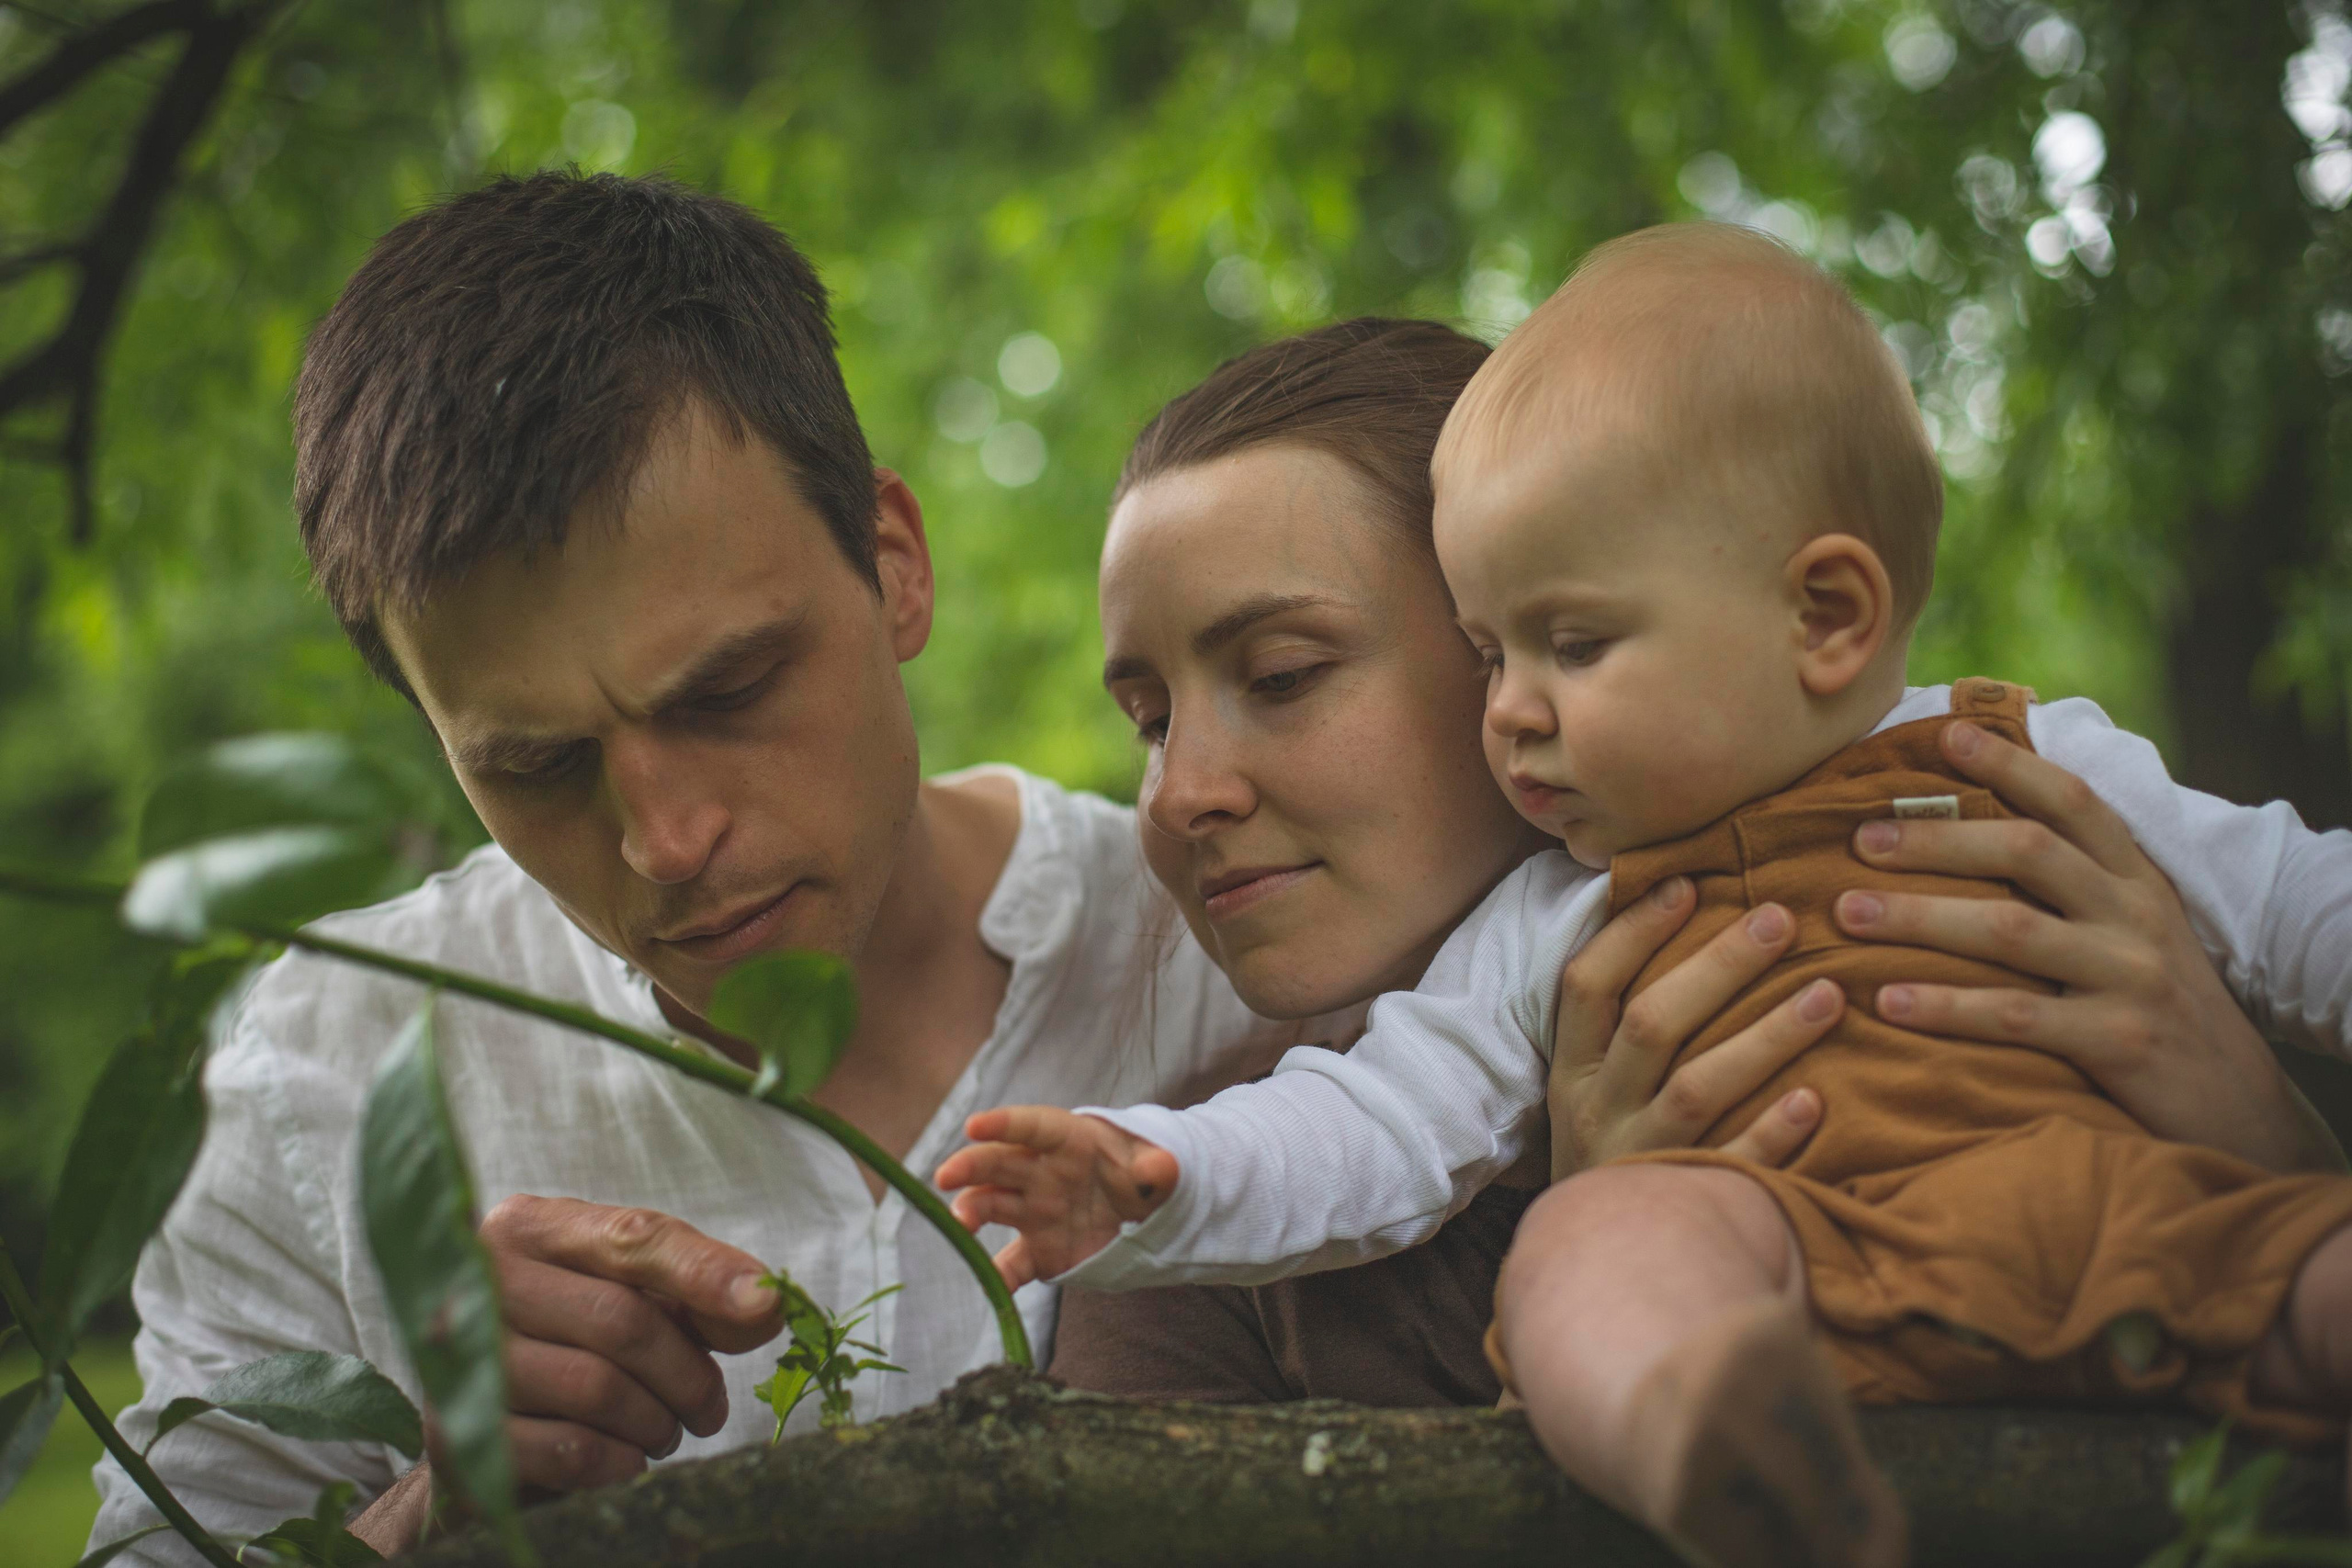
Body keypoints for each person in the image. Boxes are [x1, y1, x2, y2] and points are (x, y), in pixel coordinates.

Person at [939, 227, 2352, 1568]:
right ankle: (1704, 1429)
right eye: (1146, 718)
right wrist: (1156, 1174)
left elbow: (2302, 905)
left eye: (1285, 673)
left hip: (2147, 1241)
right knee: (1592, 1246)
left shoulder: (2031, 793)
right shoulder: (1236, 1274)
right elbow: (1360, 1124)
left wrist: (2250, 1116)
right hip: (1795, 1298)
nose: (1180, 792)